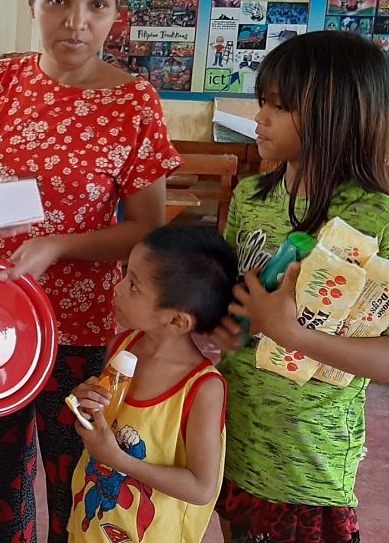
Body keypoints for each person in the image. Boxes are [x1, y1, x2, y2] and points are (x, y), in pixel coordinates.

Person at [0, 0, 181, 542]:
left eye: (97, 4)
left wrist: (60, 245)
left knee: (75, 479)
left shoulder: (134, 105)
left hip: (86, 327)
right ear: (32, 2)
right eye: (59, 0)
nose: (76, 21)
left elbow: (145, 228)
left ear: (116, 13)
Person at [208, 31, 389, 543]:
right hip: (234, 435)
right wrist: (225, 326)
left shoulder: (379, 219)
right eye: (262, 102)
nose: (260, 118)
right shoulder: (251, 196)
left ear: (338, 116)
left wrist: (292, 334)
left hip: (306, 463)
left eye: (281, 106)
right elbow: (235, 300)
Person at [67, 225, 234, 542]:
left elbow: (200, 487)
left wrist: (118, 459)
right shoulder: (121, 346)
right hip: (92, 527)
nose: (117, 287)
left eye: (133, 286)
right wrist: (84, 405)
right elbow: (105, 418)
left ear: (176, 321)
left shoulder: (203, 388)